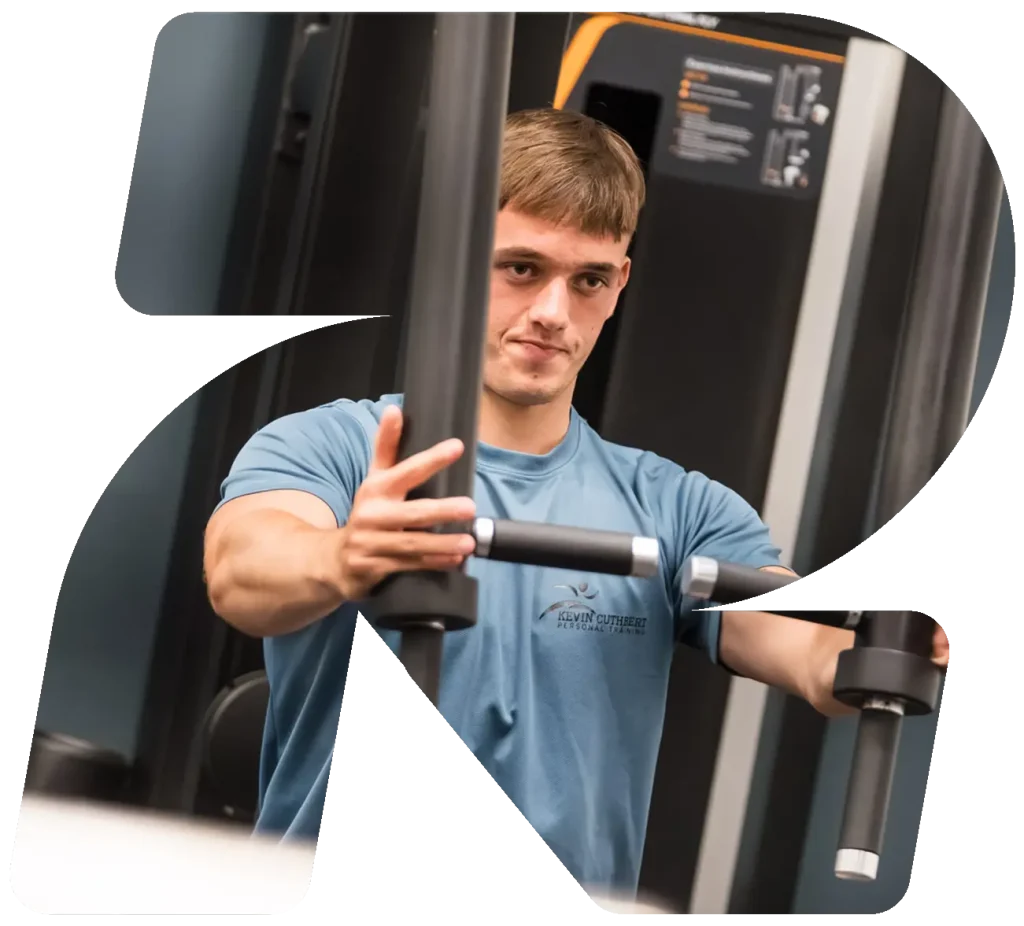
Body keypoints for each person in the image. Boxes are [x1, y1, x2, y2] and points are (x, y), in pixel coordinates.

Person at [203, 108, 951, 895]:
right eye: (521, 268)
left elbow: (806, 651)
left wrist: (888, 651)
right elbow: (241, 568)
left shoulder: (677, 509)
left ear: (619, 282)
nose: (554, 313)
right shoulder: (338, 450)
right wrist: (340, 555)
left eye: (588, 279)